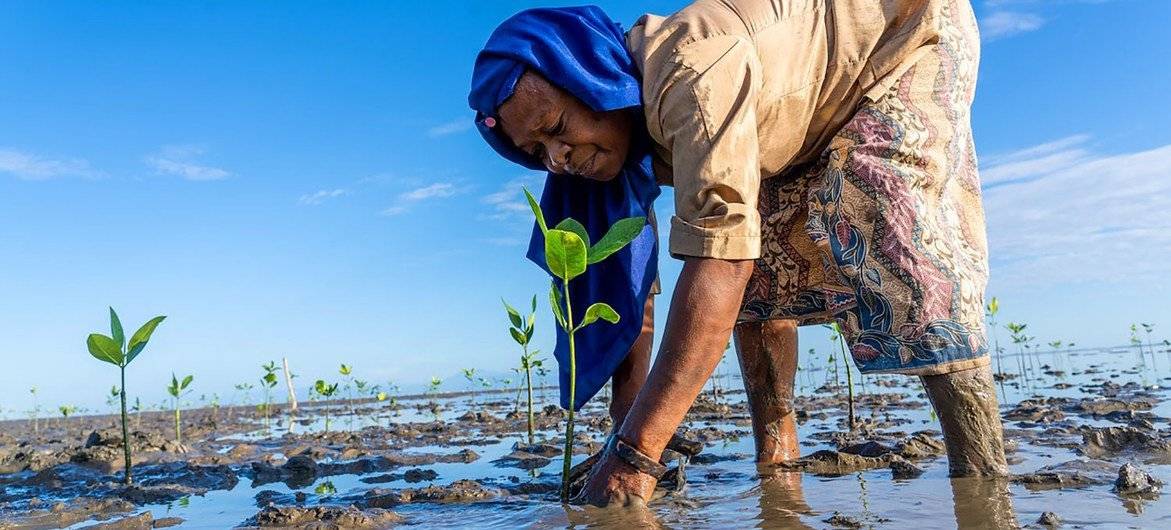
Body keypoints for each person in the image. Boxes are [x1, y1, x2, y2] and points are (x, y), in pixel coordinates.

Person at [468, 0, 1007, 507]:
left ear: (594, 80)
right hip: (791, 112)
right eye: (536, 153)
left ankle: (983, 479)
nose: (557, 160)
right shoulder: (617, 148)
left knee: (893, 223)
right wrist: (624, 432)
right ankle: (779, 467)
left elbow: (720, 263)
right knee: (761, 276)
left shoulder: (692, 79)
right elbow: (635, 291)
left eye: (558, 129)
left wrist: (637, 456)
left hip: (899, 36)